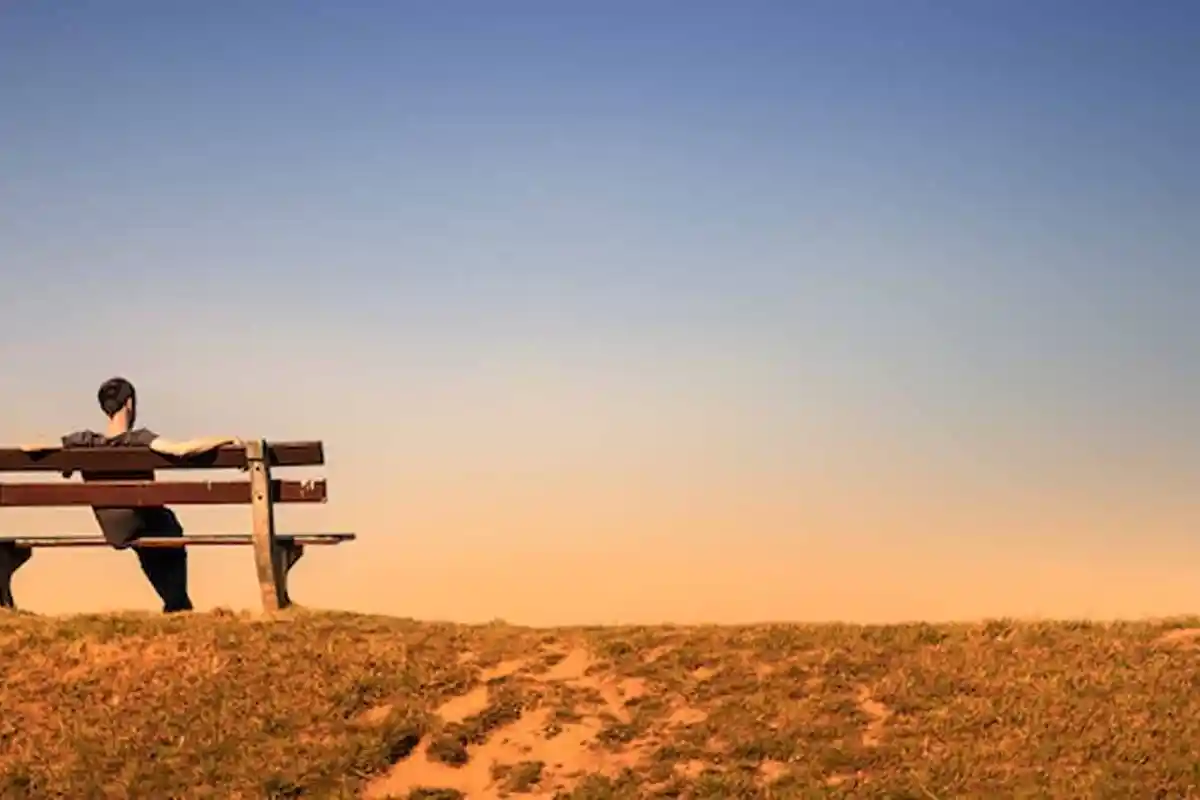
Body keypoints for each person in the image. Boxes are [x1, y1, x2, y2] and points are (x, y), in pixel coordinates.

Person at [61, 377, 238, 613]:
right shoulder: (138, 439)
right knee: (166, 523)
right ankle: (177, 603)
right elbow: (181, 450)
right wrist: (227, 439)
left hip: (115, 529)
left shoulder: (82, 441)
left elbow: (46, 456)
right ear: (130, 404)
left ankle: (176, 602)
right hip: (143, 521)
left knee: (155, 530)